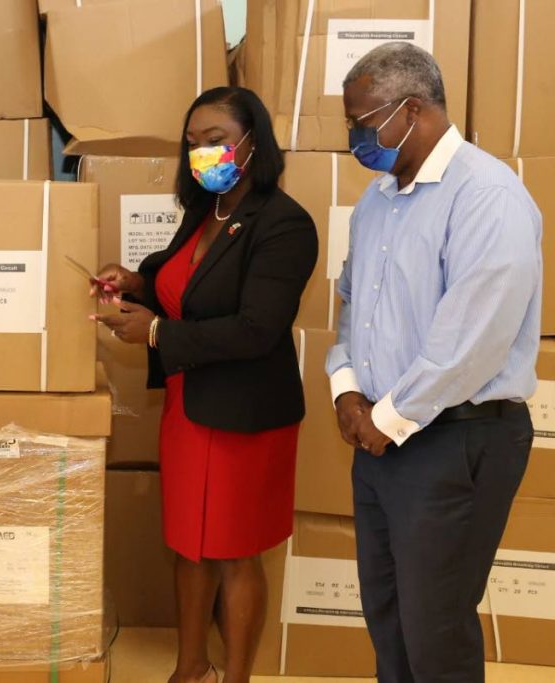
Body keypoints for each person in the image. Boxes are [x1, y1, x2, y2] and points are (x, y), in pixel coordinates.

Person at [328, 43, 541, 683]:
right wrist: (346, 388)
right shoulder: (378, 201)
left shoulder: (487, 196)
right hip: (383, 439)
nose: (355, 140)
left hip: (456, 438)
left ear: (412, 110)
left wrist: (387, 416)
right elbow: (351, 305)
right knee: (388, 617)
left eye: (364, 124)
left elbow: (472, 339)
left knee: (436, 630)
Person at [92, 87, 318, 683]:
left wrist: (157, 334)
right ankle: (189, 669)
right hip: (190, 407)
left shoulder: (284, 223)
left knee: (235, 550)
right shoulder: (205, 212)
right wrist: (135, 283)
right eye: (192, 144)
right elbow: (183, 283)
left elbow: (256, 329)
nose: (201, 154)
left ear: (252, 142)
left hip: (245, 415)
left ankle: (236, 675)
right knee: (190, 545)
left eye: (214, 141)